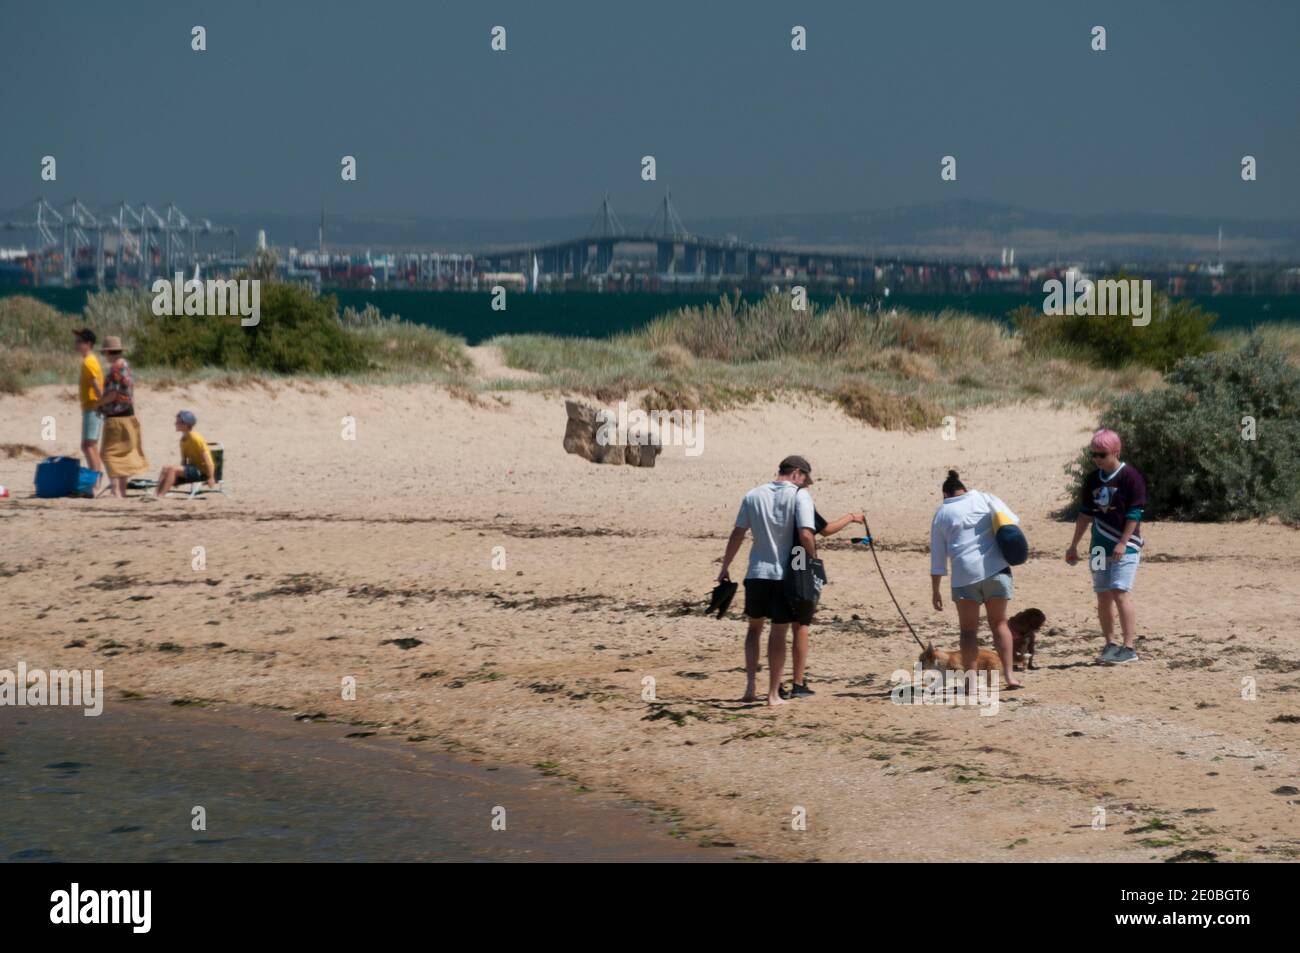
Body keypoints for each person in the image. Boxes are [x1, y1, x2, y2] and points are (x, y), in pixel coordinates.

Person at [718, 455, 818, 707]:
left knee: (753, 629)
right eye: (804, 479)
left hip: (756, 573)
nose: (804, 485)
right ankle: (773, 694)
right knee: (779, 631)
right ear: (797, 473)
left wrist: (725, 565)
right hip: (784, 576)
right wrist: (813, 560)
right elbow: (806, 533)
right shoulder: (799, 496)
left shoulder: (753, 495)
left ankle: (750, 686)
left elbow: (738, 533)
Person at [929, 470, 1022, 688]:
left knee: (968, 631)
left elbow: (938, 557)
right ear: (965, 488)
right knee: (999, 623)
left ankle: (971, 682)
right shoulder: (985, 498)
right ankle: (1009, 676)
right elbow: (1012, 523)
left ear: (945, 494)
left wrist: (936, 590)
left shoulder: (942, 512)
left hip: (964, 577)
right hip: (996, 570)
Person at [1066, 429, 1146, 664]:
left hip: (1125, 546)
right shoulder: (1092, 479)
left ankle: (1129, 647)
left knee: (1120, 592)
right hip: (1099, 547)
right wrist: (1073, 545)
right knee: (1102, 594)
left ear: (1115, 452)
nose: (1098, 459)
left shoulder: (1130, 477)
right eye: (1094, 455)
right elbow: (1085, 514)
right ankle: (1109, 643)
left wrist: (1123, 542)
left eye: (1102, 454)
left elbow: (1134, 514)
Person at [780, 508, 864, 699]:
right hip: (798, 563)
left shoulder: (776, 499)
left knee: (779, 627)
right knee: (801, 624)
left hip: (776, 565)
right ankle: (798, 682)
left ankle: (776, 684)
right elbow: (823, 530)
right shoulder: (801, 500)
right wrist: (851, 517)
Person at [94, 336, 149, 498]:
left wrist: (98, 403)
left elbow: (112, 394)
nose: (105, 356)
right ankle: (122, 491)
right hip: (129, 415)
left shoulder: (115, 369)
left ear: (109, 352)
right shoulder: (126, 365)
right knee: (125, 453)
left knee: (108, 453)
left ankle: (116, 491)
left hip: (116, 417)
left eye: (105, 353)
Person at [152, 410, 217, 498]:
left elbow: (208, 460)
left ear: (186, 425)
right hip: (192, 469)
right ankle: (155, 494)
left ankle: (160, 495)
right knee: (166, 468)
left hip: (201, 472)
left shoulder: (196, 438)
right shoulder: (183, 440)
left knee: (172, 469)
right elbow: (184, 461)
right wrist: (178, 476)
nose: (175, 424)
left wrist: (211, 477)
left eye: (178, 422)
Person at [73, 328, 105, 487]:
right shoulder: (88, 360)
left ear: (88, 344)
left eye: (79, 341)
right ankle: (96, 479)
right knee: (89, 445)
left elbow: (96, 385)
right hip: (90, 407)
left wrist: (102, 404)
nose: (76, 344)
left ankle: (96, 481)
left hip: (94, 408)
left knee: (89, 445)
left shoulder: (89, 361)